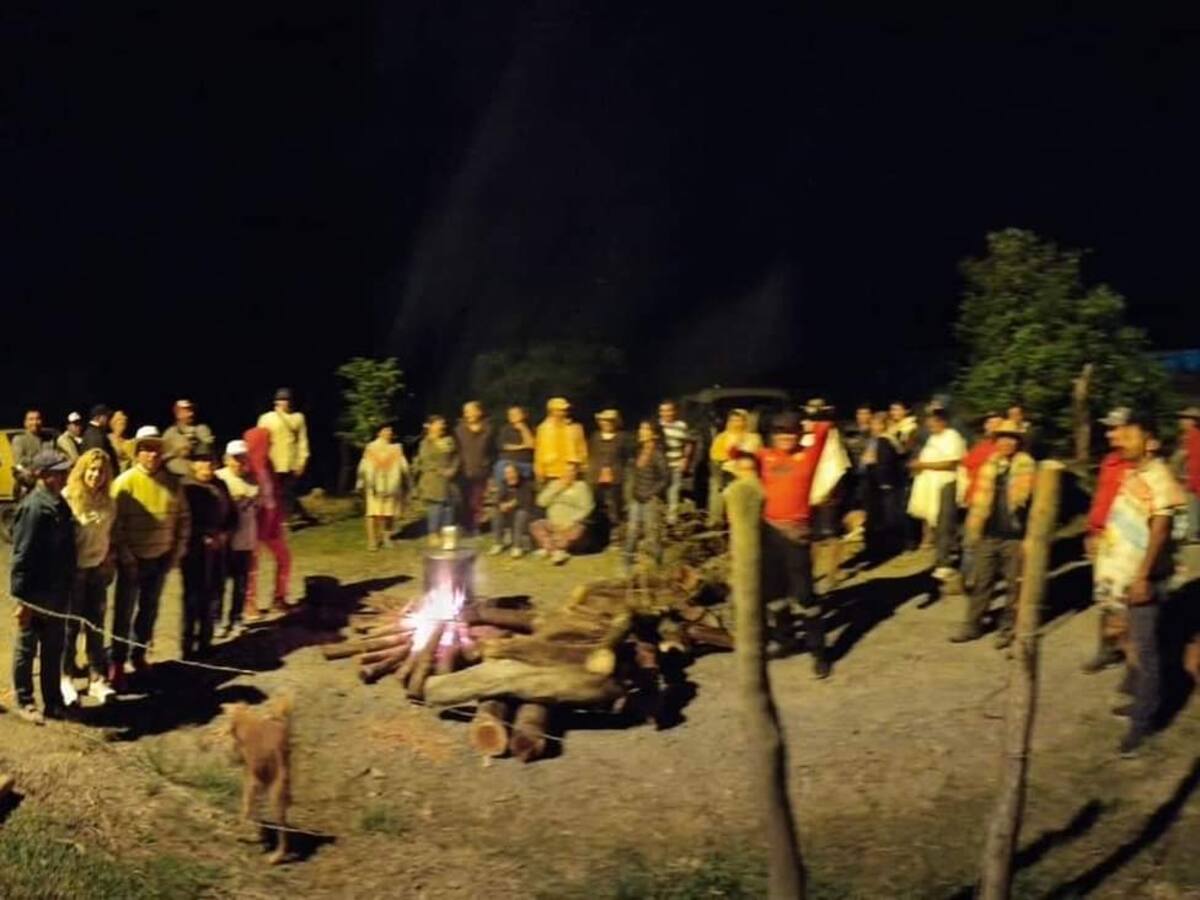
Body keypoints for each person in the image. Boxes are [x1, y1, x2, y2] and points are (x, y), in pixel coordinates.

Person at [1094, 411, 1185, 757]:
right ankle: (1140, 706)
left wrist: (1143, 576)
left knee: (1146, 652)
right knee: (1131, 642)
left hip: (1141, 580)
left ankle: (1143, 725)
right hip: (1125, 576)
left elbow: (1161, 530)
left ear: (1151, 442)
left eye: (1129, 436)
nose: (1119, 440)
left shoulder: (1160, 477)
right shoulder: (1135, 473)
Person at [733, 412, 833, 677]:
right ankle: (786, 640)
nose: (785, 437)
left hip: (797, 534)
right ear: (773, 435)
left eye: (790, 432)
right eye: (780, 432)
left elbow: (825, 428)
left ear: (798, 434)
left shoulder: (807, 455)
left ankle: (819, 652)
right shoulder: (765, 455)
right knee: (774, 595)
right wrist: (747, 441)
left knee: (804, 595)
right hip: (770, 532)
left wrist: (812, 420)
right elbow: (734, 454)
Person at [109, 426, 191, 691]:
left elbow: (183, 520)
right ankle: (118, 663)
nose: (151, 454)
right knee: (123, 613)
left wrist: (175, 553)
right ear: (137, 453)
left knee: (149, 611)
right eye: (145, 448)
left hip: (160, 559)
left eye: (155, 448)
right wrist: (125, 555)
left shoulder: (172, 483)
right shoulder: (124, 482)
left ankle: (139, 656)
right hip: (132, 560)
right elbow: (114, 524)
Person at [951, 421, 1035, 645]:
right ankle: (972, 625)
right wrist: (974, 528)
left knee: (1014, 585)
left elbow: (1035, 507)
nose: (1006, 442)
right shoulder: (990, 465)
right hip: (988, 533)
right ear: (995, 441)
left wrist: (1030, 538)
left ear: (1018, 442)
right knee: (981, 582)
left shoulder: (1027, 466)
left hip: (1014, 536)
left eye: (1011, 438)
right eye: (1002, 438)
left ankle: (1007, 628)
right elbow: (977, 499)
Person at [9, 449, 75, 724]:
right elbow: (21, 557)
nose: (65, 475)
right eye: (60, 472)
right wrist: (22, 600)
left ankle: (53, 702)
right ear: (45, 475)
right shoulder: (34, 507)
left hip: (58, 592)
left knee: (53, 648)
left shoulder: (60, 502)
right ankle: (25, 701)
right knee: (27, 648)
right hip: (36, 594)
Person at [1081, 407, 1137, 674]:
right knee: (1105, 598)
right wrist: (1092, 531)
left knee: (1129, 602)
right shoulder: (1110, 461)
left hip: (1127, 545)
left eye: (1115, 428)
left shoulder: (1140, 465)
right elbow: (1101, 500)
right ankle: (1107, 648)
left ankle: (1134, 662)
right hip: (1104, 540)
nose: (1109, 433)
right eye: (1109, 428)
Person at [61, 448, 117, 705]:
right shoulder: (68, 498)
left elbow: (109, 535)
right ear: (83, 470)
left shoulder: (109, 501)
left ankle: (97, 679)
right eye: (92, 470)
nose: (96, 475)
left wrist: (108, 560)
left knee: (96, 627)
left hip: (97, 570)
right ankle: (66, 679)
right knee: (69, 628)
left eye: (101, 471)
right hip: (73, 573)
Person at [180, 452, 235, 660]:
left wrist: (225, 534)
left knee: (213, 594)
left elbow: (233, 515)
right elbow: (183, 519)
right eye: (201, 461)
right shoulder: (186, 488)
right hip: (194, 549)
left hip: (218, 548)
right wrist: (201, 535)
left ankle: (205, 641)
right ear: (193, 464)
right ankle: (187, 645)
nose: (206, 465)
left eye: (210, 461)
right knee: (193, 597)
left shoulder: (220, 486)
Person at [907, 406, 966, 580]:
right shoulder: (933, 438)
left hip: (946, 483)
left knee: (944, 523)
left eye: (931, 420)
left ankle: (944, 563)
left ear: (941, 421)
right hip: (930, 484)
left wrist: (923, 466)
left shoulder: (952, 437)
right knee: (936, 523)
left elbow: (951, 463)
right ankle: (946, 556)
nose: (928, 424)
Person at [243, 426, 292, 617]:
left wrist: (279, 518)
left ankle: (279, 598)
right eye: (267, 441)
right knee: (252, 565)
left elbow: (275, 493)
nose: (270, 444)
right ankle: (249, 603)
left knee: (284, 558)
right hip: (254, 523)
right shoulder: (247, 467)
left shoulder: (268, 465)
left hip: (271, 522)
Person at [216, 440, 259, 637]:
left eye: (242, 458)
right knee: (219, 583)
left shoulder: (253, 480)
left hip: (246, 540)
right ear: (227, 459)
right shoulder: (219, 478)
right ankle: (216, 621)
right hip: (224, 542)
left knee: (241, 584)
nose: (239, 462)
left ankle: (237, 618)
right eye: (235, 458)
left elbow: (259, 505)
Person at [257, 388, 310, 520]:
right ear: (275, 402)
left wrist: (302, 460)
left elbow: (302, 441)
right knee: (274, 491)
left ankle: (287, 518)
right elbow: (259, 440)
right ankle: (296, 515)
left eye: (286, 400)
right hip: (272, 460)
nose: (284, 403)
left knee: (288, 491)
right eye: (281, 400)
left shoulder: (298, 418)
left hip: (290, 462)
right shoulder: (266, 418)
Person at [624, 420, 670, 572]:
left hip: (650, 499)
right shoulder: (639, 451)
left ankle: (658, 566)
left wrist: (651, 493)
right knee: (632, 531)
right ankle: (627, 564)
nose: (641, 431)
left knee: (652, 533)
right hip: (637, 498)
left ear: (654, 434)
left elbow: (665, 478)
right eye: (641, 428)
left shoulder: (657, 454)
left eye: (645, 428)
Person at [860, 412, 905, 562]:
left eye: (877, 424)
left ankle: (884, 548)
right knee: (879, 517)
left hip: (881, 485)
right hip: (875, 483)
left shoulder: (884, 441)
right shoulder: (876, 440)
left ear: (883, 425)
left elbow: (884, 463)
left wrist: (883, 482)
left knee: (884, 517)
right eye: (873, 423)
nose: (873, 426)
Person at [357, 423, 409, 551]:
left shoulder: (396, 448)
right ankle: (372, 541)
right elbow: (364, 465)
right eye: (386, 430)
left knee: (389, 512)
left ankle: (387, 538)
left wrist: (407, 480)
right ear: (379, 432)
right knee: (372, 513)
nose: (389, 433)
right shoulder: (371, 448)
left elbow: (403, 465)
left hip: (391, 484)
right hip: (374, 484)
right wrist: (361, 481)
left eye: (390, 430)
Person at [530, 461, 594, 564]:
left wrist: (571, 522)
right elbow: (541, 502)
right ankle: (556, 551)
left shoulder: (581, 487)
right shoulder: (554, 484)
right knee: (536, 526)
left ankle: (549, 549)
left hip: (571, 524)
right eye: (566, 471)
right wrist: (559, 487)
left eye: (571, 471)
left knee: (577, 531)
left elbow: (587, 508)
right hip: (553, 523)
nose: (569, 473)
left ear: (576, 473)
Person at [707, 408, 762, 527]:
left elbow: (758, 456)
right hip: (726, 474)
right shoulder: (722, 437)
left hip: (747, 476)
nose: (736, 423)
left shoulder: (754, 438)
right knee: (718, 492)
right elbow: (715, 456)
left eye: (739, 420)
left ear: (745, 422)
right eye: (733, 420)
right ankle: (716, 521)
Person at [587, 409, 629, 546]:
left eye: (610, 421)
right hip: (596, 476)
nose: (606, 423)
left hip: (615, 477)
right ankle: (598, 538)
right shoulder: (595, 436)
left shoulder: (621, 437)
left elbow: (624, 457)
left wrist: (612, 468)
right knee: (596, 507)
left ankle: (615, 539)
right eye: (604, 421)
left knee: (614, 507)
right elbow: (592, 455)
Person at [417, 415, 459, 546]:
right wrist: (439, 470)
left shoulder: (449, 440)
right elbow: (425, 461)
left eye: (443, 424)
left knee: (449, 507)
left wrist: (453, 469)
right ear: (431, 426)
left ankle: (447, 535)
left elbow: (456, 456)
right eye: (439, 423)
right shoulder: (425, 443)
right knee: (435, 507)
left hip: (449, 480)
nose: (442, 426)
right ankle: (433, 534)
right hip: (433, 479)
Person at [454, 401, 494, 534]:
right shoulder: (459, 430)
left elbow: (493, 450)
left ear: (479, 412)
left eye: (470, 411)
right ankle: (465, 525)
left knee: (477, 500)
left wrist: (488, 464)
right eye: (465, 411)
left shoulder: (488, 429)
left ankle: (475, 526)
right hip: (463, 470)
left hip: (481, 469)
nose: (467, 414)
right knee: (464, 500)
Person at [534, 397, 587, 485]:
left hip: (571, 472)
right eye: (560, 410)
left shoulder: (576, 428)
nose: (564, 412)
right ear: (552, 412)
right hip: (551, 473)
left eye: (565, 410)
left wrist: (583, 468)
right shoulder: (543, 429)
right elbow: (539, 452)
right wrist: (539, 471)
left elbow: (582, 450)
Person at [657, 399, 693, 525]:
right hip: (660, 466)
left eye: (669, 410)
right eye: (663, 411)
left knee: (674, 489)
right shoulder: (657, 426)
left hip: (676, 463)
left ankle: (672, 519)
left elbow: (688, 443)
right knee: (659, 490)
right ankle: (658, 515)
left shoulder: (681, 425)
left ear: (674, 411)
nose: (666, 413)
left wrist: (685, 459)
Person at [489, 463, 534, 558]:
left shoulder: (525, 483)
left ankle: (517, 546)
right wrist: (501, 505)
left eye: (512, 472)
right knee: (496, 512)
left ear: (517, 473)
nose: (510, 475)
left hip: (524, 512)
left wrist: (512, 504)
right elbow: (498, 499)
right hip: (508, 512)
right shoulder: (504, 483)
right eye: (507, 473)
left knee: (521, 514)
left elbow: (527, 500)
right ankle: (498, 543)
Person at [162, 398, 216, 477]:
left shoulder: (202, 429)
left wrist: (196, 445)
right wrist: (177, 452)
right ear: (177, 414)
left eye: (191, 410)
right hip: (176, 474)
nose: (191, 414)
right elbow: (162, 456)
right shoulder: (170, 433)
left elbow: (210, 449)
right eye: (186, 411)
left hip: (200, 474)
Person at [11, 409, 56, 501]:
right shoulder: (19, 440)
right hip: (28, 484)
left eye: (38, 419)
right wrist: (42, 462)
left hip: (49, 485)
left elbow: (54, 458)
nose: (35, 422)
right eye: (31, 419)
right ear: (25, 423)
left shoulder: (49, 439)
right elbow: (20, 461)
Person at [1172, 406, 1200, 543]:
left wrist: (1190, 481)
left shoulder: (1192, 436)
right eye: (1181, 418)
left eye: (1184, 418)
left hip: (1191, 481)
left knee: (1190, 509)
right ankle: (1189, 534)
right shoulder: (1189, 436)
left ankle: (1191, 535)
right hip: (1187, 480)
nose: (1181, 421)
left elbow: (1187, 459)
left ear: (1193, 421)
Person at [495, 405, 535, 483]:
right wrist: (522, 446)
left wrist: (523, 429)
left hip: (525, 463)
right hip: (507, 461)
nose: (513, 416)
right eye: (510, 414)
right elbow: (504, 446)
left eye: (516, 414)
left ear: (523, 415)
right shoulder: (505, 430)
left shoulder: (530, 428)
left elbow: (531, 445)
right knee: (504, 468)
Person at [80, 404, 120, 472]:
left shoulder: (95, 432)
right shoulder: (94, 435)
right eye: (106, 416)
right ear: (97, 417)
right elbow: (97, 458)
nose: (108, 419)